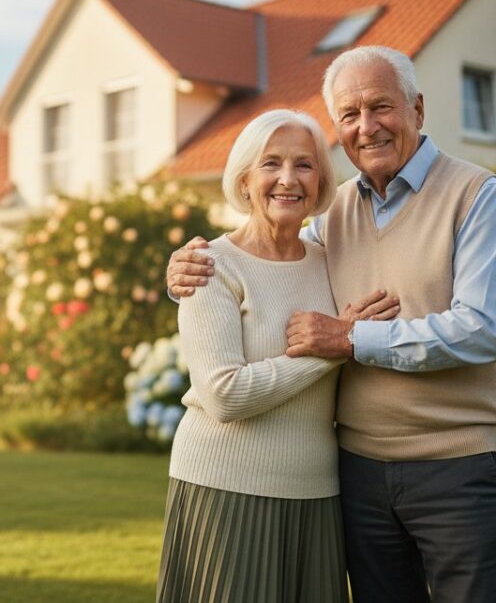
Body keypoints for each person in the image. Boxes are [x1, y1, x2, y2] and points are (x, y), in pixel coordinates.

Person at [167, 45, 496, 603]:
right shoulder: (334, 218)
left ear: (417, 108)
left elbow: (481, 326)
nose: (367, 127)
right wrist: (181, 269)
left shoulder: (477, 194)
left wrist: (351, 338)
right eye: (349, 115)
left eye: (381, 107)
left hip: (456, 469)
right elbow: (268, 259)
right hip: (357, 474)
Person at [156, 108, 397, 603]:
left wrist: (345, 338)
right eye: (271, 164)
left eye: (305, 165)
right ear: (245, 180)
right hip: (227, 487)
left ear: (321, 183)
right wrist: (334, 348)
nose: (288, 179)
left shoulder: (332, 261)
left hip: (317, 491)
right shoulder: (209, 266)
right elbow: (223, 395)